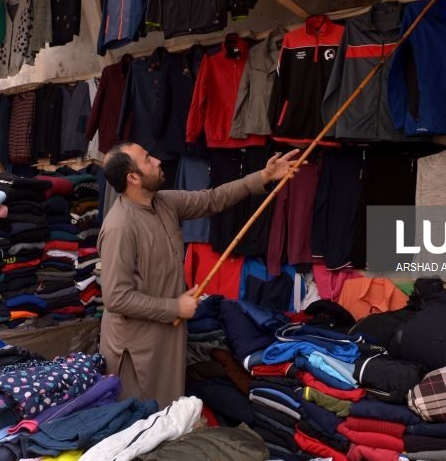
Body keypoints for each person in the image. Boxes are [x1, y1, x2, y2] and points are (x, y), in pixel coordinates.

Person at [97, 142, 299, 408]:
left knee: (168, 416)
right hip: (137, 348)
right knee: (139, 421)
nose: (158, 160)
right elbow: (116, 298)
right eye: (147, 159)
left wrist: (264, 176)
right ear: (133, 178)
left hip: (166, 335)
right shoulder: (119, 226)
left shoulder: (165, 203)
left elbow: (212, 199)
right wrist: (175, 306)